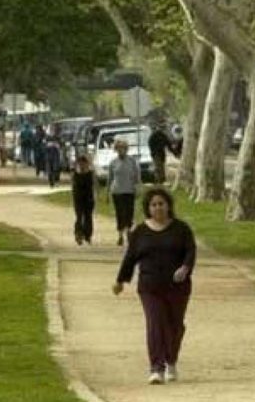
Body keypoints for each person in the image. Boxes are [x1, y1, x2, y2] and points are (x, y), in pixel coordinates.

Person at [112, 187, 196, 385]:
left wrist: (185, 268)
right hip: (150, 287)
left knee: (175, 326)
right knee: (155, 323)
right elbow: (130, 258)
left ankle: (171, 360)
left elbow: (190, 252)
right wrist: (120, 280)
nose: (158, 208)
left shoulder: (181, 229)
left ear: (168, 206)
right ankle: (156, 368)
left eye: (161, 204)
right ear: (148, 208)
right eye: (154, 204)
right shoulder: (140, 232)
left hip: (178, 287)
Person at [107, 139, 141, 246]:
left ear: (126, 149)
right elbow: (110, 178)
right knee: (120, 213)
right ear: (116, 150)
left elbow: (136, 176)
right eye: (119, 148)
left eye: (123, 148)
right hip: (117, 191)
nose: (121, 150)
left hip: (129, 190)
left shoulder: (132, 161)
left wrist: (138, 188)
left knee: (129, 213)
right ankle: (120, 235)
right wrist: (107, 192)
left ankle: (129, 231)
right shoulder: (113, 162)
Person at [71, 155, 96, 245]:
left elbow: (94, 184)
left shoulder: (90, 174)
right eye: (80, 163)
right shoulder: (76, 174)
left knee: (88, 217)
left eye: (84, 163)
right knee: (79, 216)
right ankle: (78, 234)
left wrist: (91, 164)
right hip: (78, 198)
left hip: (88, 198)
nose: (82, 165)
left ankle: (88, 235)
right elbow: (73, 185)